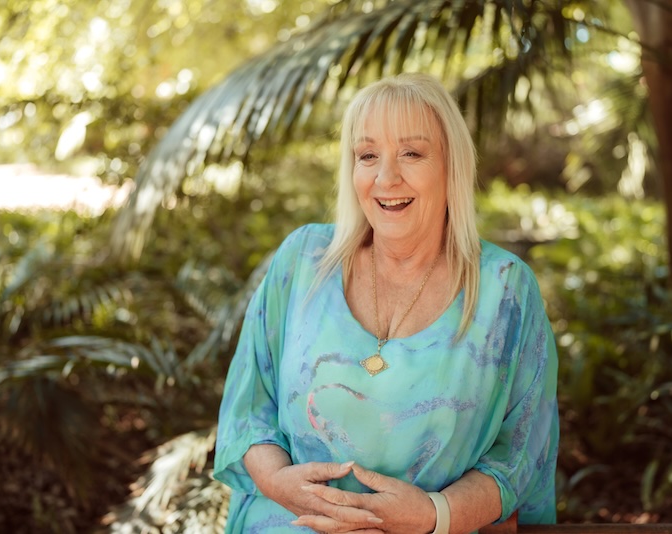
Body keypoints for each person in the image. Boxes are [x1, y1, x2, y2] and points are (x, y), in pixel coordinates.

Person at [214, 72, 559, 533]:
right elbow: (249, 410)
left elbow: (519, 457)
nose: (386, 177)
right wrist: (280, 483)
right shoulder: (303, 260)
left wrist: (432, 515)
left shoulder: (505, 290)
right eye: (368, 155)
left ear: (451, 165)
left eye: (412, 153)